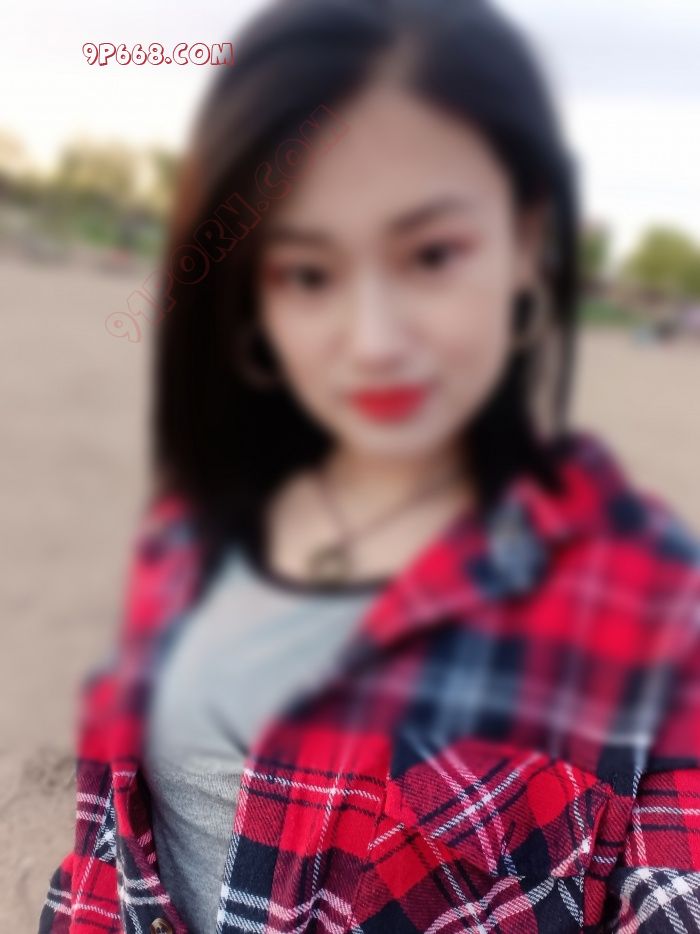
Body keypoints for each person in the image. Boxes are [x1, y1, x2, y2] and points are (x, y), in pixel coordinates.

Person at [40, 0, 700, 932]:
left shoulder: (646, 593)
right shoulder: (188, 533)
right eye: (308, 272)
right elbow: (106, 869)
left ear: (527, 240)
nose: (374, 340)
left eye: (431, 254)